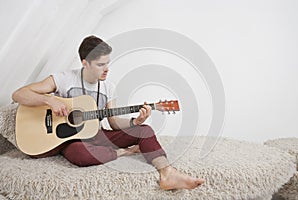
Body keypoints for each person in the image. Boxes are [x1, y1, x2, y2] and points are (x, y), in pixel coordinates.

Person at [12, 35, 204, 190]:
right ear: (85, 63)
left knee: (144, 130)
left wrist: (134, 122)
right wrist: (49, 99)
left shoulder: (108, 87)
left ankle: (167, 173)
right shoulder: (63, 79)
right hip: (71, 140)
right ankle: (122, 153)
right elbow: (18, 94)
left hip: (95, 134)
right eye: (100, 64)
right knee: (81, 154)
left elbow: (113, 123)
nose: (107, 69)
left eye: (107, 63)